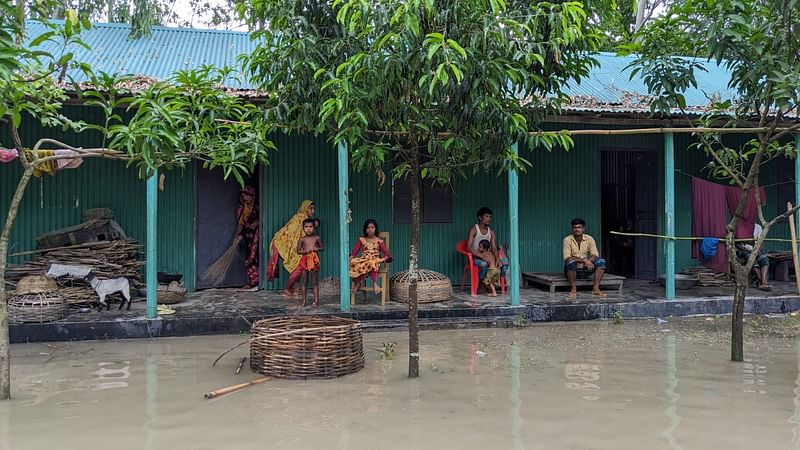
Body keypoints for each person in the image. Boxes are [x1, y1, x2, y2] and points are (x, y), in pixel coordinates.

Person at [266, 200, 316, 296]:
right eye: (310, 208)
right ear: (305, 208)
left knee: (298, 267)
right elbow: (295, 235)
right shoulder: (301, 219)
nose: (313, 211)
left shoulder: (300, 218)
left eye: (313, 208)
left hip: (289, 245)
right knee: (298, 268)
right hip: (284, 245)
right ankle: (287, 289)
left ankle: (296, 289)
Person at [562, 218, 607, 298]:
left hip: (586, 269)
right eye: (575, 227)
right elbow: (567, 257)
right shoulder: (567, 240)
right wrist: (584, 260)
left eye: (579, 227)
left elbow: (595, 255)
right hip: (573, 269)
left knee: (601, 261)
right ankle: (573, 288)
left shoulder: (590, 239)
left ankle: (596, 288)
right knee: (570, 262)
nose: (577, 229)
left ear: (583, 229)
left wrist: (588, 262)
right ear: (572, 229)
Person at [349, 219, 393, 294]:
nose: (370, 229)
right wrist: (351, 259)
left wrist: (383, 259)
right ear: (365, 229)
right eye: (368, 227)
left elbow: (387, 253)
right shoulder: (362, 240)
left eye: (372, 227)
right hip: (364, 260)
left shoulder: (379, 241)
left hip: (374, 260)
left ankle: (375, 283)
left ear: (375, 229)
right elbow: (354, 252)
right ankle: (358, 282)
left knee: (372, 262)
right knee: (353, 262)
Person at [466, 207, 508, 282]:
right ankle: (482, 281)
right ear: (480, 217)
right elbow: (468, 247)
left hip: (489, 255)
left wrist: (497, 258)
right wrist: (481, 256)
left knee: (504, 262)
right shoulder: (474, 230)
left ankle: (497, 279)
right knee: (484, 264)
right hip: (477, 257)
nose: (489, 219)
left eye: (490, 217)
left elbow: (494, 248)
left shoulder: (491, 232)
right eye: (486, 216)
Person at [234, 186, 259, 290]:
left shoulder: (258, 207)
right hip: (248, 236)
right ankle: (252, 281)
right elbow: (240, 223)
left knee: (257, 256)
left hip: (257, 235)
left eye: (247, 195)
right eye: (243, 195)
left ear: (252, 196)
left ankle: (259, 281)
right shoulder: (242, 208)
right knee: (249, 258)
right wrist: (236, 236)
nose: (245, 197)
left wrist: (257, 223)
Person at [296, 218, 324, 307]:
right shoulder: (302, 239)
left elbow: (322, 248)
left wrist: (317, 249)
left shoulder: (317, 238)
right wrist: (305, 251)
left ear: (314, 228)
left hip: (313, 260)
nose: (308, 229)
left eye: (310, 227)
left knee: (315, 282)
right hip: (305, 260)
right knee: (304, 282)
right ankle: (303, 301)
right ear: (303, 228)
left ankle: (316, 301)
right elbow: (298, 251)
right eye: (306, 227)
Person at [736, 223, 771, 291]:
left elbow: (761, 242)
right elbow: (737, 244)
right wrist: (747, 249)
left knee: (764, 258)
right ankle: (762, 282)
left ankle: (763, 282)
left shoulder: (758, 227)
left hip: (755, 250)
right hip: (743, 251)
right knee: (751, 259)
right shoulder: (739, 227)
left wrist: (757, 250)